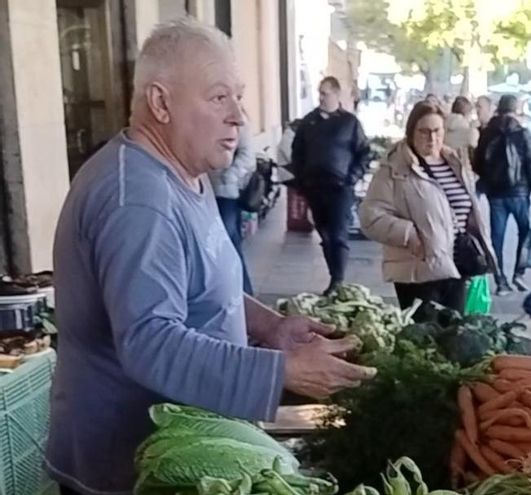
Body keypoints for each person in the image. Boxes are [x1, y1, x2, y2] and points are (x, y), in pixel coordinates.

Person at [47, 19, 376, 494]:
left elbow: (196, 283)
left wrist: (269, 327)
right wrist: (282, 371)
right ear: (161, 103)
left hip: (186, 448)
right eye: (219, 97)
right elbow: (150, 341)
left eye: (238, 97)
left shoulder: (182, 172)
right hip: (129, 469)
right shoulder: (137, 200)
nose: (239, 116)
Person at [359, 101, 493, 314]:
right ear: (411, 132)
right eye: (424, 131)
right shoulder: (394, 168)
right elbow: (370, 217)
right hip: (418, 271)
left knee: (455, 331)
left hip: (456, 267)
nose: (432, 138)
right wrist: (408, 234)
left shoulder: (455, 163)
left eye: (437, 130)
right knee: (425, 332)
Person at [291, 76, 371, 295]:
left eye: (325, 93)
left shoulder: (349, 123)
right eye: (319, 93)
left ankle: (338, 279)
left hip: (340, 188)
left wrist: (352, 177)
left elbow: (364, 152)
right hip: (314, 187)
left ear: (336, 94)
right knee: (325, 235)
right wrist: (301, 180)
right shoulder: (308, 122)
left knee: (338, 234)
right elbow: (297, 153)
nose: (321, 97)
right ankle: (334, 275)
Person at [474, 94, 531, 295]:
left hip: (495, 194)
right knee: (525, 232)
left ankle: (501, 281)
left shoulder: (486, 133)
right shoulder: (523, 133)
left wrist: (486, 181)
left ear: (498, 108)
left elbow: (478, 162)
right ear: (515, 109)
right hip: (520, 192)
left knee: (497, 237)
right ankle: (519, 274)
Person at [209, 119, 255, 294]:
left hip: (225, 193)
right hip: (203, 191)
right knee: (225, 243)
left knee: (227, 243)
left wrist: (229, 176)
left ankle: (243, 293)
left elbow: (247, 155)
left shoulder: (236, 119)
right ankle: (240, 292)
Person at [444, 96, 479, 172]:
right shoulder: (469, 131)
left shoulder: (443, 123)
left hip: (443, 163)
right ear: (467, 112)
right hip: (461, 168)